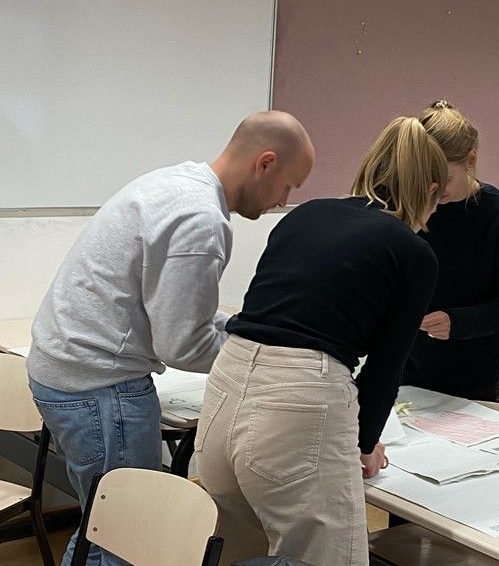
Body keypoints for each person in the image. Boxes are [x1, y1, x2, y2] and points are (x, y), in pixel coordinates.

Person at [27, 111, 314, 566]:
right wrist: (260, 360)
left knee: (102, 527)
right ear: (265, 163)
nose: (283, 201)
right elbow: (182, 344)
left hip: (67, 373)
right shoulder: (202, 221)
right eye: (288, 186)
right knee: (128, 541)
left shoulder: (176, 183)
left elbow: (173, 307)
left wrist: (240, 329)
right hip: (100, 388)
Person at [194, 116, 446, 566]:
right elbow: (387, 365)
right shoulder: (413, 252)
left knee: (236, 550)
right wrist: (363, 445)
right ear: (429, 191)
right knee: (326, 559)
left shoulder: (306, 214)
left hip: (225, 385)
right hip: (300, 398)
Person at [401, 100, 499, 400]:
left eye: (444, 179)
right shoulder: (409, 208)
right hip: (408, 368)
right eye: (426, 178)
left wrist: (457, 323)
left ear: (471, 160)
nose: (434, 190)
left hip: (475, 375)